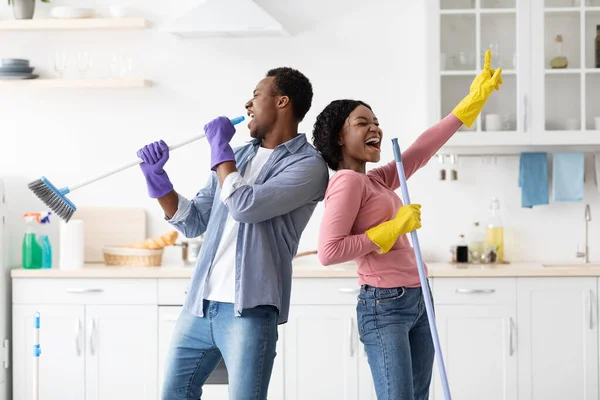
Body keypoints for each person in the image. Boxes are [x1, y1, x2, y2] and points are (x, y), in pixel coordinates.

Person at [312, 51, 502, 400]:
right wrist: (393, 228)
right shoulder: (347, 182)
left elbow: (422, 149)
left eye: (376, 121)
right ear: (339, 137)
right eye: (362, 123)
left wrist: (472, 101)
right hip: (385, 305)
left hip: (417, 297)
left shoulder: (375, 181)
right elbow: (329, 252)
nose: (375, 128)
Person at [136, 67, 329, 400]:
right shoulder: (238, 156)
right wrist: (158, 181)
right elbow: (195, 220)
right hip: (199, 304)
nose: (247, 104)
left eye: (256, 94)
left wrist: (219, 148)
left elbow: (245, 205)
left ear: (282, 102)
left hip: (250, 311)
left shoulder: (308, 166)